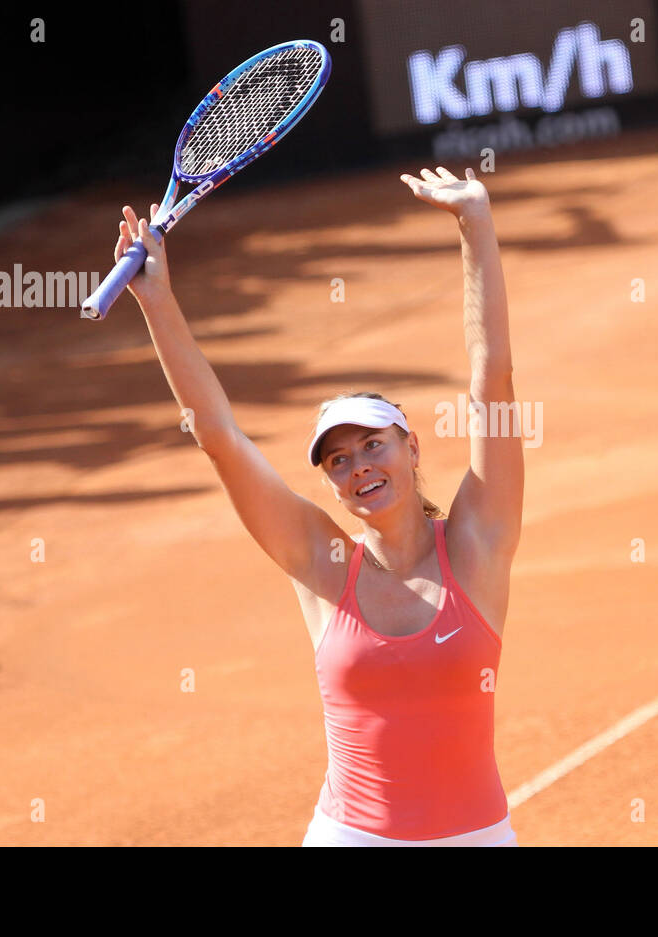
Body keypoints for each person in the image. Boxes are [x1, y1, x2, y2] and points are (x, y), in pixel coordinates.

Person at [111, 165, 523, 846]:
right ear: (330, 481)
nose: (359, 465)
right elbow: (218, 437)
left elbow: (494, 382)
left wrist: (475, 224)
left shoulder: (477, 545)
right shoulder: (321, 564)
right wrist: (159, 302)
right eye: (338, 459)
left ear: (412, 446)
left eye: (373, 444)